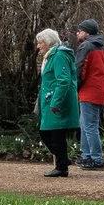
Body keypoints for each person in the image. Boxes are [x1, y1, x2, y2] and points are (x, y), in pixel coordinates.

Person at [35, 28, 79, 176]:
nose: (38, 46)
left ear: (48, 43)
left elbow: (64, 80)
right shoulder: (51, 56)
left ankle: (62, 166)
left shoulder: (59, 55)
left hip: (56, 100)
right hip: (49, 99)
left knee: (54, 132)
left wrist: (56, 102)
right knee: (50, 131)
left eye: (40, 43)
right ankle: (62, 161)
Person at [73, 19, 104, 170]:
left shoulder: (85, 47)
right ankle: (86, 156)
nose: (78, 33)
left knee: (89, 126)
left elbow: (80, 70)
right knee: (86, 125)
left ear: (87, 32)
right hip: (102, 89)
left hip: (89, 90)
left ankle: (95, 158)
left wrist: (75, 87)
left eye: (80, 30)